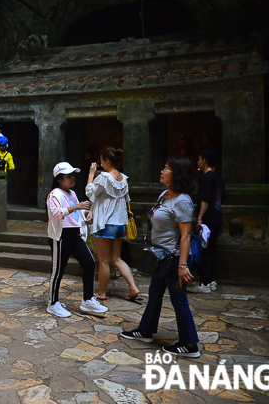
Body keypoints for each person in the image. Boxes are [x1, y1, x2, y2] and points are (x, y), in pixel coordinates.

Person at [121, 157, 201, 357]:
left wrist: (183, 265)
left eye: (167, 169)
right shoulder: (165, 194)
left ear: (178, 175)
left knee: (179, 300)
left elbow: (186, 235)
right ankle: (145, 330)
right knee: (155, 294)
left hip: (174, 259)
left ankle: (190, 344)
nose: (162, 171)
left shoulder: (182, 201)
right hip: (161, 256)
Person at [46, 162, 108, 318]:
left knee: (89, 262)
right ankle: (53, 303)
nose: (72, 179)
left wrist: (87, 214)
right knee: (58, 270)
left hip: (75, 234)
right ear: (59, 179)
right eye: (68, 176)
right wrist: (77, 207)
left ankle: (87, 299)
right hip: (61, 236)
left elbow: (77, 212)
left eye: (73, 175)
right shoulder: (55, 194)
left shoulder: (72, 193)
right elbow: (56, 213)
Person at [86, 147, 140, 302]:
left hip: (106, 223)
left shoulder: (104, 177)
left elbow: (90, 192)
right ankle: (133, 287)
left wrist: (91, 174)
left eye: (102, 160)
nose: (101, 163)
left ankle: (101, 292)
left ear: (107, 161)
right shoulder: (123, 179)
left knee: (103, 260)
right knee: (116, 259)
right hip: (120, 223)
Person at [188, 149, 225, 293]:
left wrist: (199, 218)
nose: (198, 162)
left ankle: (205, 282)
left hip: (207, 220)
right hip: (217, 218)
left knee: (204, 250)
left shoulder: (207, 178)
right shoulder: (218, 178)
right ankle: (212, 281)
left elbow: (205, 200)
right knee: (212, 250)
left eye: (199, 159)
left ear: (204, 161)